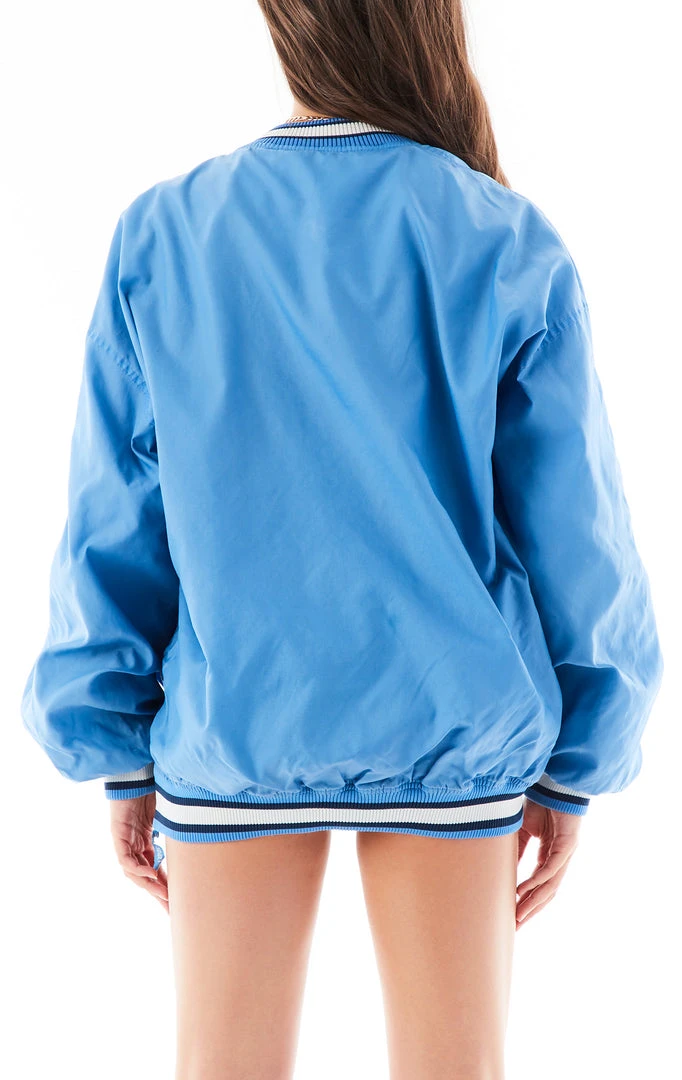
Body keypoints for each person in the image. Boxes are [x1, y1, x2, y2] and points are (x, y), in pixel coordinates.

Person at [20, 2, 664, 1078]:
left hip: (236, 728)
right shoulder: (501, 235)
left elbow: (116, 515)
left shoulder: (166, 232)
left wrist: (117, 750)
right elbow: (577, 533)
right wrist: (576, 767)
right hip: (453, 728)